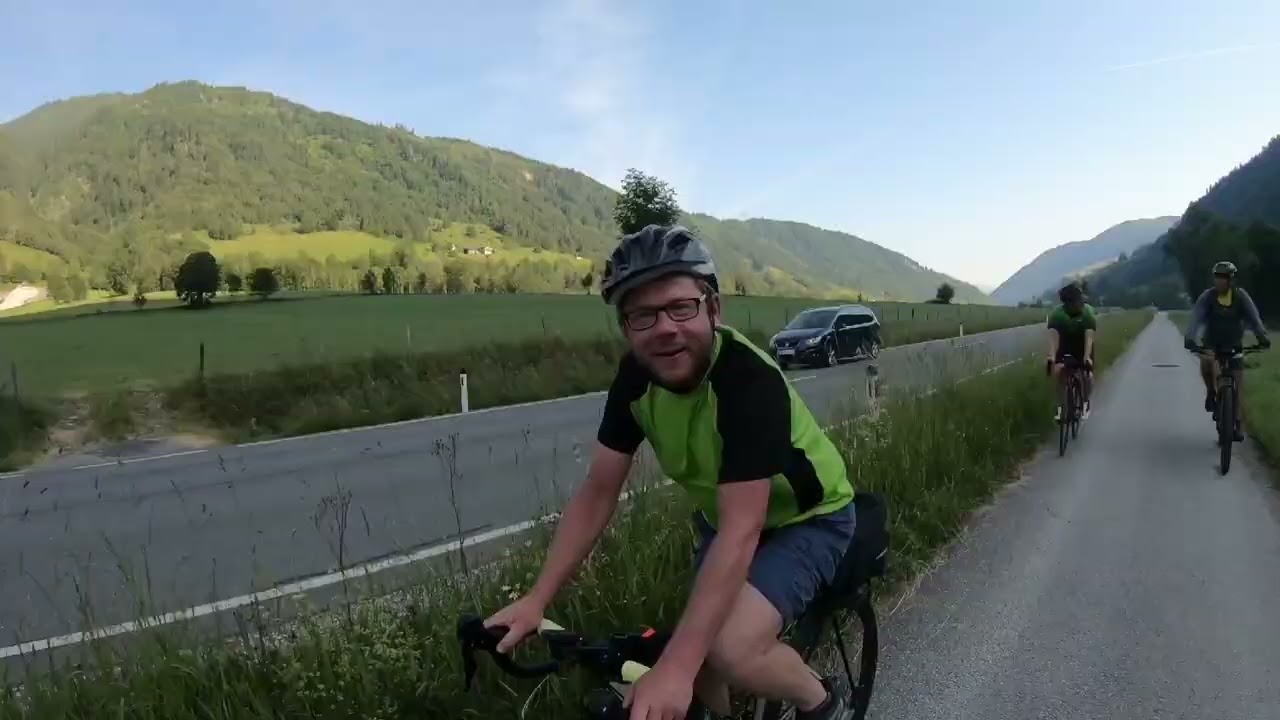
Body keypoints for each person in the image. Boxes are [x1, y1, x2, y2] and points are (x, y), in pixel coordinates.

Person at [484, 224, 858, 720]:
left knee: (727, 648)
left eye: (680, 307)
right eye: (642, 315)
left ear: (714, 309)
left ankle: (821, 701)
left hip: (809, 519)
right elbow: (598, 492)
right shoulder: (636, 379)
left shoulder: (748, 382)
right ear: (626, 328)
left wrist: (678, 668)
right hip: (726, 522)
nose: (664, 328)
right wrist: (537, 598)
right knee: (695, 654)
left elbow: (744, 529)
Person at [1183, 260, 1270, 441]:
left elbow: (1254, 319)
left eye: (1223, 278)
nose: (1219, 281)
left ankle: (1238, 425)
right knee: (1207, 363)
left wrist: (1262, 337)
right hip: (1212, 343)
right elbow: (1196, 318)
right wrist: (1190, 337)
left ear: (1231, 280)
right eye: (1217, 277)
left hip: (1234, 344)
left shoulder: (1241, 297)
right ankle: (1211, 393)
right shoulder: (1207, 297)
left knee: (1238, 386)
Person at [1046, 282, 1096, 421]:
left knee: (1088, 375)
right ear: (1067, 304)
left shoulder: (1088, 312)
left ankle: (1085, 402)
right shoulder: (1057, 315)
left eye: (1081, 300)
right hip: (1065, 341)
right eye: (1077, 301)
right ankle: (1061, 407)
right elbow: (1053, 338)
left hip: (1082, 342)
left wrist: (1086, 358)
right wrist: (1051, 357)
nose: (1081, 303)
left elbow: (1089, 338)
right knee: (1058, 371)